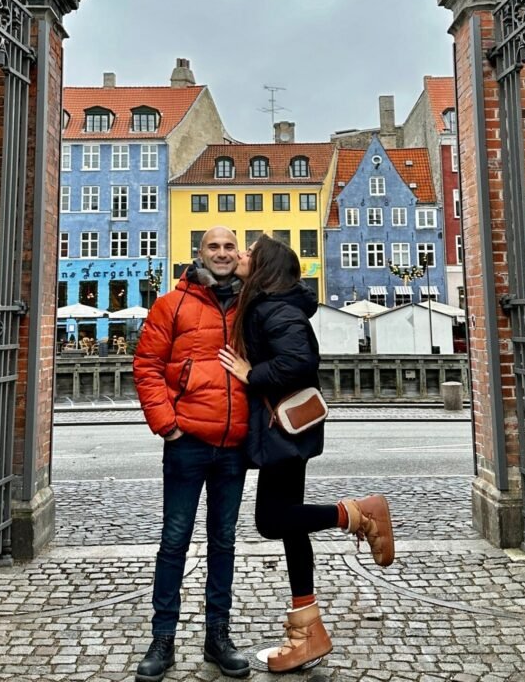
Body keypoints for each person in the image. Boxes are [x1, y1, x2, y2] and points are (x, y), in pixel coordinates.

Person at [218, 235, 394, 674]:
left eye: (249, 252)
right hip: (284, 430)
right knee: (292, 526)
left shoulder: (276, 309)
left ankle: (357, 513)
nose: (240, 254)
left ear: (265, 267)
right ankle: (307, 631)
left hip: (283, 431)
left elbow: (298, 362)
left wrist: (250, 374)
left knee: (272, 520)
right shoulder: (269, 302)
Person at [132, 226, 250, 682]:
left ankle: (218, 636)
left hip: (233, 444)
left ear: (238, 254)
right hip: (187, 442)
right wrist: (168, 425)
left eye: (229, 247)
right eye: (213, 247)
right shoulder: (172, 304)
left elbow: (296, 308)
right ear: (198, 254)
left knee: (224, 541)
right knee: (174, 539)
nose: (221, 253)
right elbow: (146, 365)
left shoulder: (250, 305)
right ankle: (162, 638)